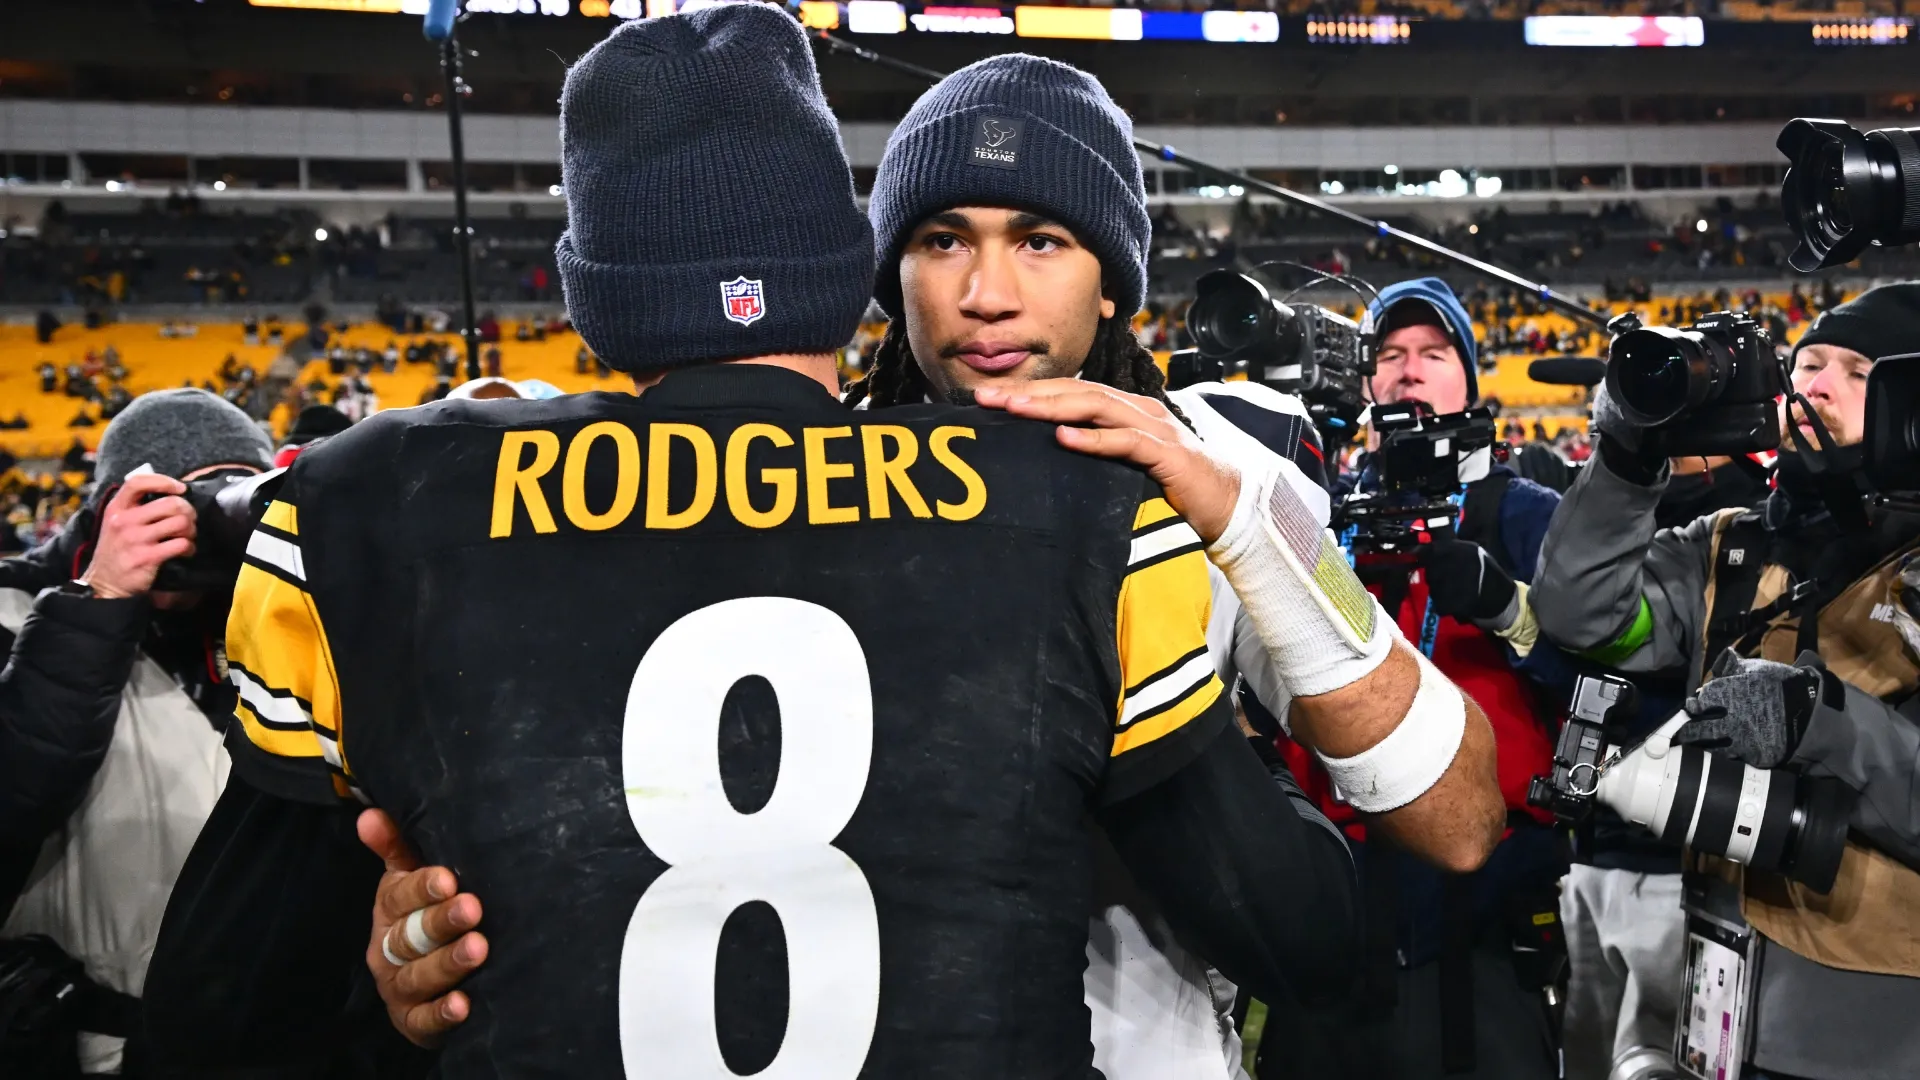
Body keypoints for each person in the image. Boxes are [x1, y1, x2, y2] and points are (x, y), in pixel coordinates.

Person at [140, 12, 1360, 1076]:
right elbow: (1314, 937)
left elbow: (218, 1021)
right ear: (854, 272)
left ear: (597, 296)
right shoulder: (1080, 500)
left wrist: (405, 985)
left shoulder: (368, 507)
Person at [1532, 281, 1920, 1080]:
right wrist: (1626, 458)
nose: (1814, 383)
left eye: (1855, 370)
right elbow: (1583, 614)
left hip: (1877, 1022)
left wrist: (1820, 725)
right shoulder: (1731, 547)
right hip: (1722, 997)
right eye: (1807, 362)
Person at [1253, 277, 1569, 1080]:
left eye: (1433, 353)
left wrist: (1508, 610)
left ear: (1468, 372)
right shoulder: (1324, 506)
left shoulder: (1521, 511)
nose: (1409, 370)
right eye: (1389, 355)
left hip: (1479, 915)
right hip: (1337, 898)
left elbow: (1591, 677)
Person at [0, 389, 274, 1074]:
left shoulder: (262, 618)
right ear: (112, 507)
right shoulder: (14, 610)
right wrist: (103, 599)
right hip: (90, 1041)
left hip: (257, 1036)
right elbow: (16, 789)